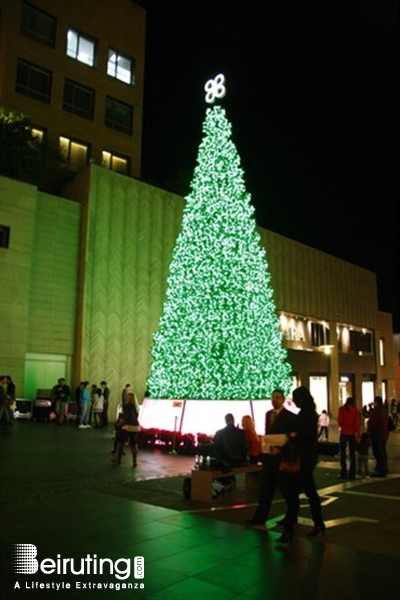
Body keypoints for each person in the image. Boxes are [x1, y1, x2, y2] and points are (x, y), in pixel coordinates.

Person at [245, 389, 298, 543]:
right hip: (269, 458)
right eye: (273, 397)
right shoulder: (268, 414)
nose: (274, 399)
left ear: (283, 399)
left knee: (286, 490)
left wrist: (281, 449)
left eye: (277, 397)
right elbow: (269, 434)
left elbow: (291, 438)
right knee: (265, 489)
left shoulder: (289, 417)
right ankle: (259, 518)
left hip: (281, 458)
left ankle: (290, 519)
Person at [291, 386, 325, 538]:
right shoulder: (308, 413)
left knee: (300, 491)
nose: (293, 401)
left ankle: (292, 523)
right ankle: (317, 523)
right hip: (307, 456)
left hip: (305, 456)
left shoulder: (307, 414)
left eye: (295, 398)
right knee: (308, 491)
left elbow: (304, 435)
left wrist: (294, 436)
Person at [212, 413, 248, 490]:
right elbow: (244, 448)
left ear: (225, 421)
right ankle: (230, 480)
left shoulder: (219, 433)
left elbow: (215, 448)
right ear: (233, 420)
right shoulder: (241, 433)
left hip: (225, 462)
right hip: (239, 461)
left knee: (212, 466)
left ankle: (227, 481)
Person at [112, 391, 140, 467]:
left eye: (127, 396)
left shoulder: (127, 406)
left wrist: (119, 423)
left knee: (121, 442)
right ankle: (134, 461)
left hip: (128, 426)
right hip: (136, 427)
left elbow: (126, 417)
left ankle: (118, 459)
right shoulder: (135, 407)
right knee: (133, 445)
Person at [337, 397, 360, 480]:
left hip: (344, 432)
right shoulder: (355, 410)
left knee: (342, 454)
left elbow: (340, 421)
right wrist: (358, 435)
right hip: (352, 433)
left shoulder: (342, 409)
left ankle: (343, 473)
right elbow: (357, 423)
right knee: (352, 454)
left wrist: (342, 425)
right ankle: (352, 473)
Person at [367, 396, 388, 477]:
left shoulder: (378, 411)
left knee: (378, 452)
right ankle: (383, 468)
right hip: (383, 433)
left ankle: (381, 470)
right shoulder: (383, 409)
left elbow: (373, 421)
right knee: (382, 451)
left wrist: (369, 430)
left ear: (376, 402)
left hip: (377, 434)